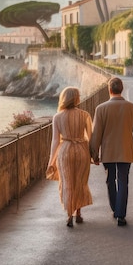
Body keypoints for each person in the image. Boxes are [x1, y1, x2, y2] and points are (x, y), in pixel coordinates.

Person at [90, 77, 133, 227]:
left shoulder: (101, 109)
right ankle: (121, 214)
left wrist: (94, 154)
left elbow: (96, 134)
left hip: (107, 152)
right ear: (122, 89)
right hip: (126, 152)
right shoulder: (132, 108)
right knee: (123, 181)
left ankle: (115, 208)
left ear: (109, 90)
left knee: (110, 180)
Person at [47, 87, 93, 228]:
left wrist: (51, 161)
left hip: (65, 151)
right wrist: (93, 155)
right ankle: (78, 213)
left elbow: (55, 141)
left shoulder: (57, 117)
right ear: (77, 98)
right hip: (81, 150)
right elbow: (91, 137)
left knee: (66, 183)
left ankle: (69, 215)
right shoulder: (85, 115)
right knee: (80, 182)